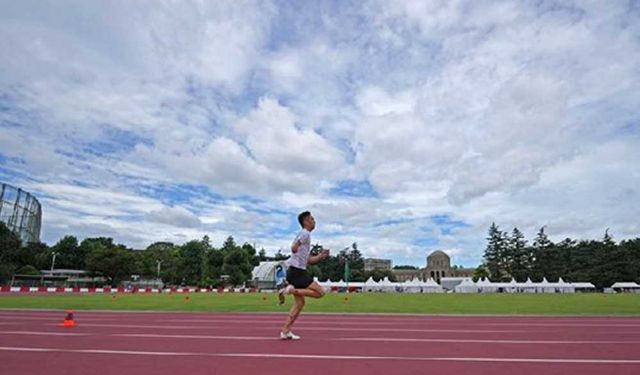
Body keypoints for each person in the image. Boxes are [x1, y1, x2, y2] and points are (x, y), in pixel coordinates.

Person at [278, 211, 330, 340]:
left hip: (294, 272)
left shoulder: (305, 236)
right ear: (306, 221)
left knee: (299, 304)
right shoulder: (305, 233)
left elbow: (308, 260)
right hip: (298, 272)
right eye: (312, 219)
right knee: (320, 292)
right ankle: (291, 290)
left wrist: (320, 256)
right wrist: (295, 247)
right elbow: (294, 247)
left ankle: (285, 331)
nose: (314, 221)